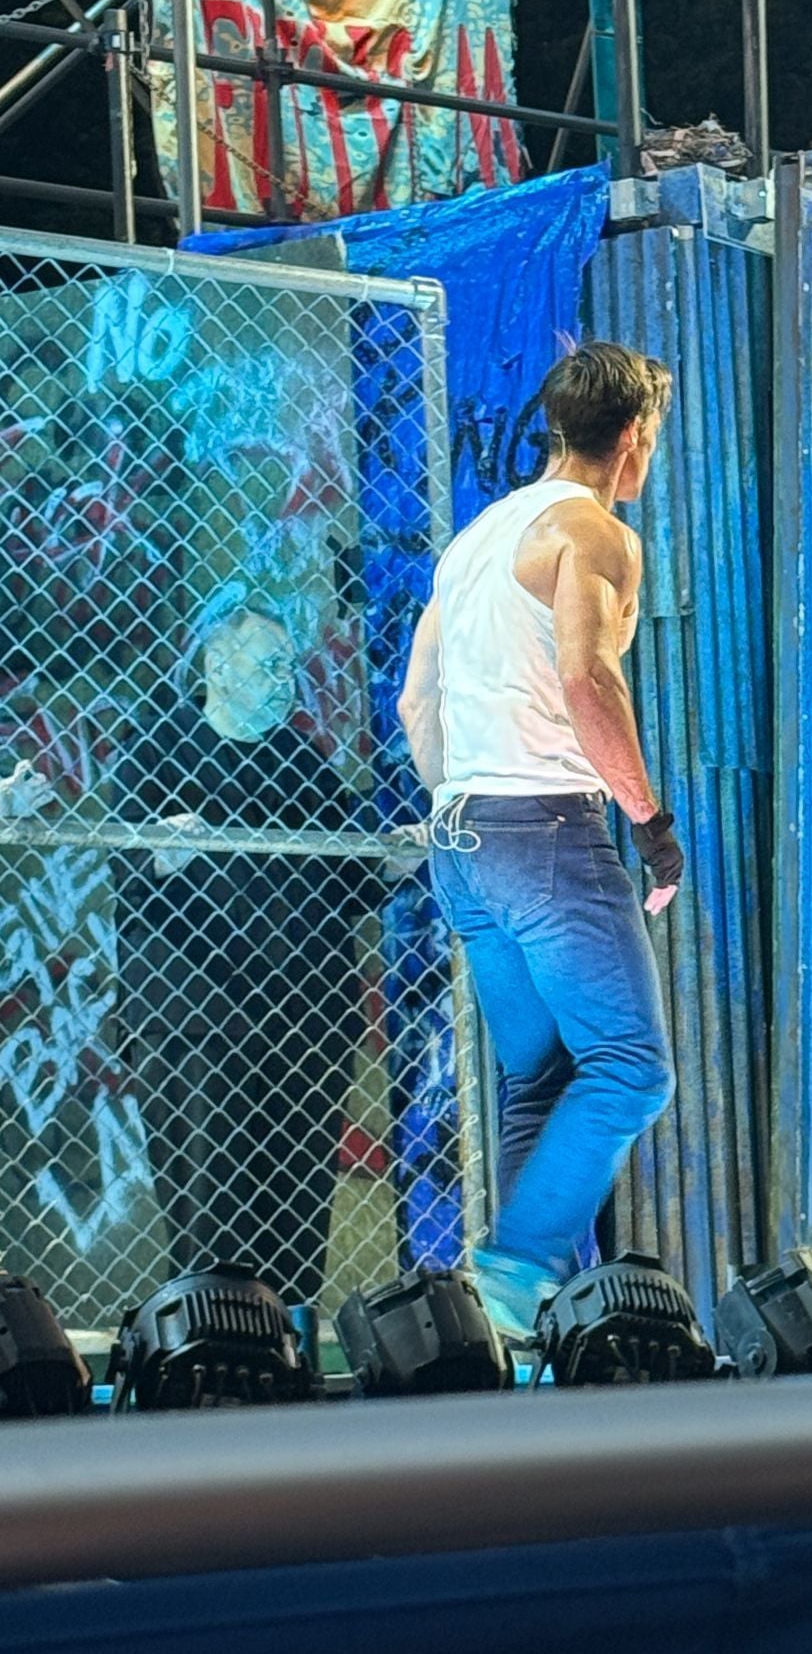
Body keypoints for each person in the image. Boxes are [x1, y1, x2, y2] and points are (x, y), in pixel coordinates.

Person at [398, 341, 681, 1337]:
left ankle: (518, 1320)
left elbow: (416, 702)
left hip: (462, 841)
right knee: (633, 1066)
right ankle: (518, 1268)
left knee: (541, 1076)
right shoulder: (592, 532)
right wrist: (649, 823)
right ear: (634, 436)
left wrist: (466, 809)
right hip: (546, 831)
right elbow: (586, 678)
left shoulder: (475, 539)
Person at [112, 605, 387, 1303]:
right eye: (267, 665)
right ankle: (215, 1335)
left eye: (288, 668)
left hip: (305, 1021)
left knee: (297, 1214)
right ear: (216, 665)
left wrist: (391, 862)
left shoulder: (298, 759)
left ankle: (287, 1337)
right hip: (200, 1021)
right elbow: (127, 868)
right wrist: (161, 850)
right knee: (211, 1212)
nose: (284, 682)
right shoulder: (158, 748)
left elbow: (348, 882)